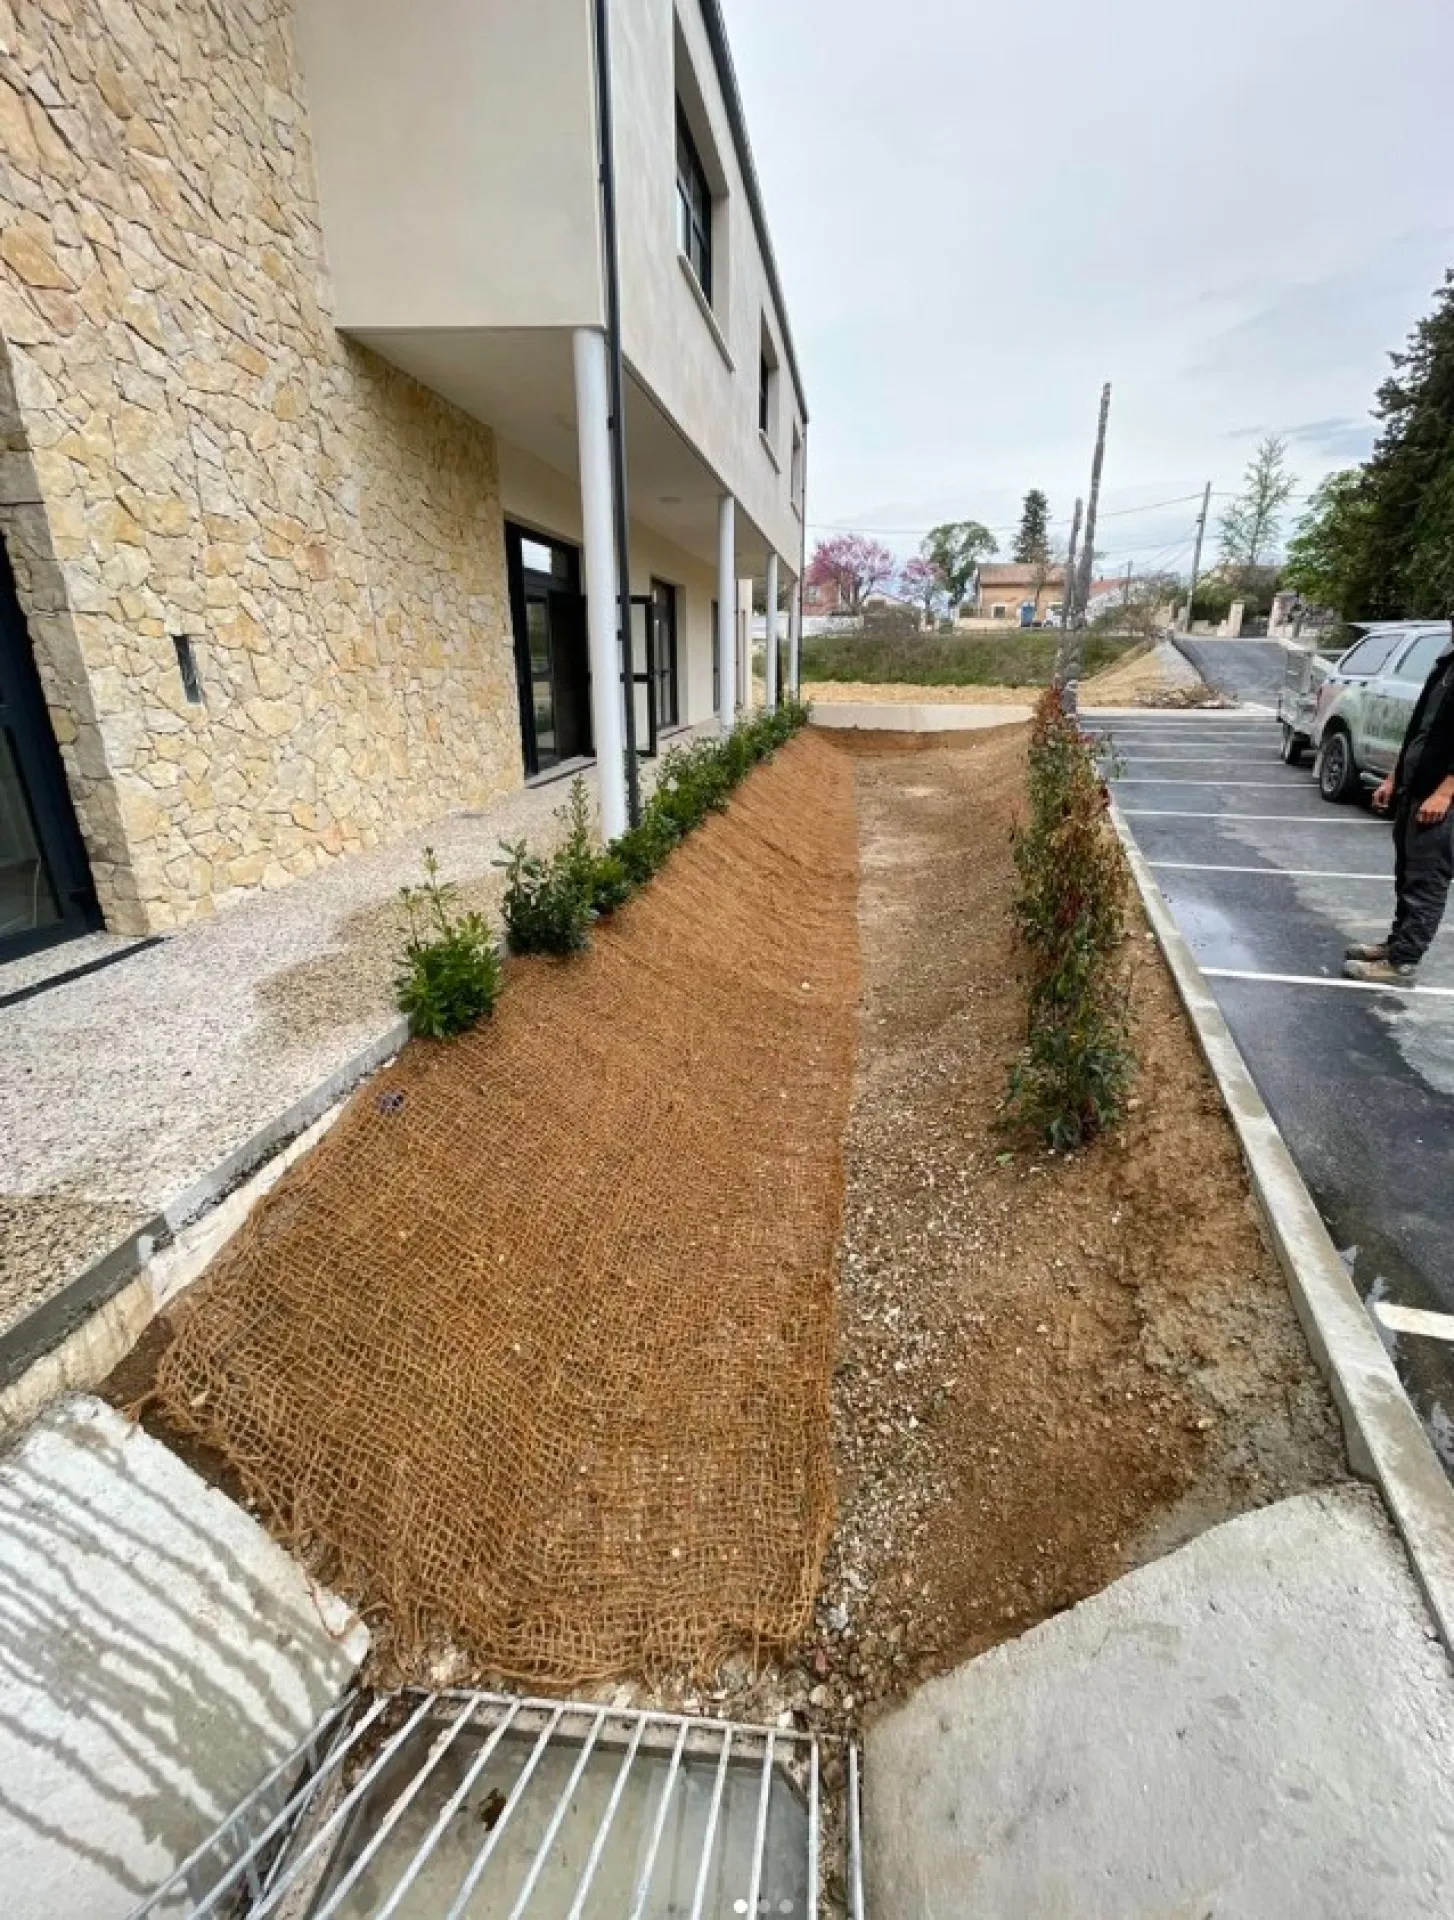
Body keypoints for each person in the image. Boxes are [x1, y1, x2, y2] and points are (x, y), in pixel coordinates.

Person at [1344, 628, 1454, 984]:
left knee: (1427, 880)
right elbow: (1420, 729)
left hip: (1441, 797)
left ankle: (1402, 963)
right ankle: (1396, 945)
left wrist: (1446, 792)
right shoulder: (1446, 665)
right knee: (1408, 873)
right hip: (1415, 785)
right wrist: (1393, 777)